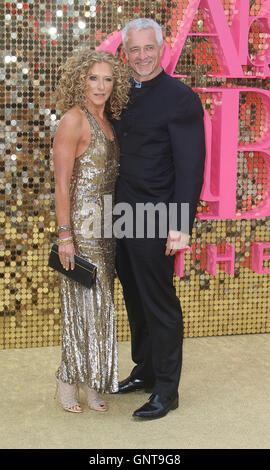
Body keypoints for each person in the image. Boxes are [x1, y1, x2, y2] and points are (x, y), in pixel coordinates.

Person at [111, 18, 206, 420]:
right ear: (125, 52)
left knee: (160, 303)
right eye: (134, 49)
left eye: (149, 48)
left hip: (156, 217)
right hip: (118, 216)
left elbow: (190, 167)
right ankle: (146, 370)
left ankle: (168, 390)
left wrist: (181, 226)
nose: (142, 56)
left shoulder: (181, 98)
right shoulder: (117, 93)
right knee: (134, 298)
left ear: (162, 48)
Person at [52, 49, 130, 413]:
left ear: (116, 85)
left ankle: (91, 379)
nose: (100, 86)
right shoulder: (73, 120)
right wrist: (65, 236)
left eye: (107, 79)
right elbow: (62, 185)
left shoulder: (109, 120)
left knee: (100, 308)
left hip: (106, 227)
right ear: (80, 80)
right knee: (81, 307)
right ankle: (67, 380)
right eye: (93, 78)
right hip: (82, 230)